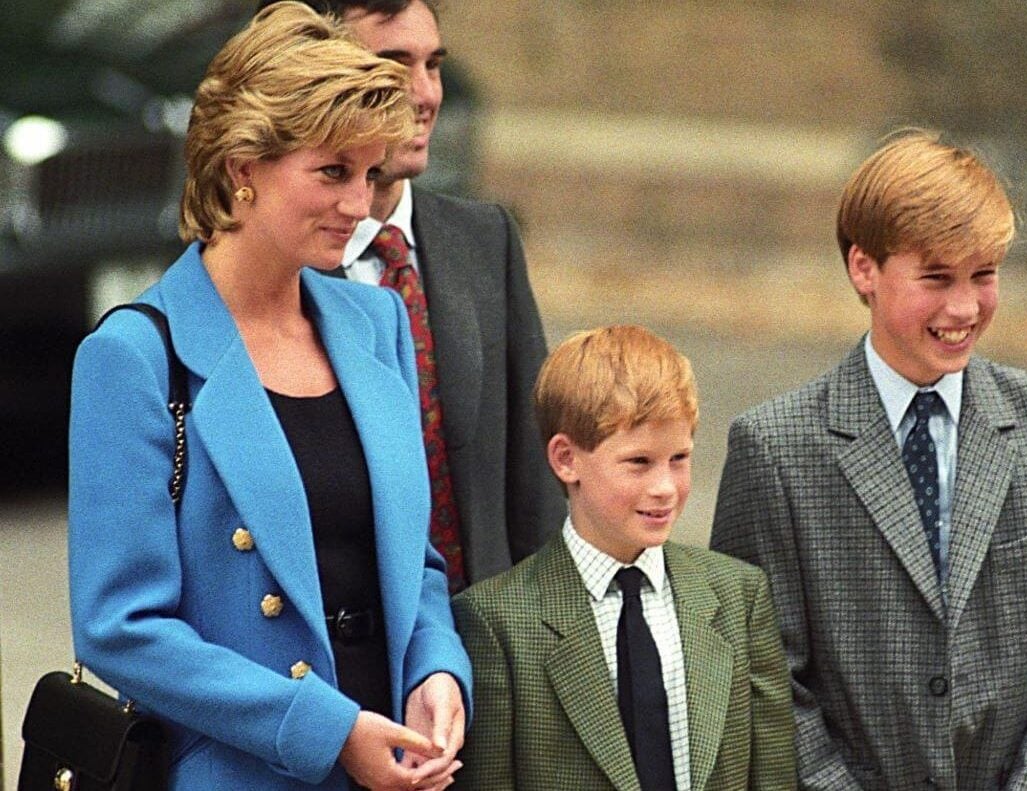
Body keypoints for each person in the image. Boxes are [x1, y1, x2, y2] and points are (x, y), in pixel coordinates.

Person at [68, 4, 471, 789]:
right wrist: (323, 728)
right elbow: (119, 628)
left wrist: (436, 672)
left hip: (393, 761)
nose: (359, 205)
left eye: (369, 174)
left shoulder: (376, 320)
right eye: (332, 172)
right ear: (243, 167)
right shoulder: (133, 356)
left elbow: (411, 560)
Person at [710, 131, 1027, 789]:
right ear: (863, 268)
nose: (964, 307)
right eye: (936, 277)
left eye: (983, 275)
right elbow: (762, 676)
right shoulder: (775, 450)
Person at [258, 0, 566, 593]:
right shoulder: (276, 270)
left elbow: (535, 489)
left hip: (487, 649)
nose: (424, 95)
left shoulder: (486, 240)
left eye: (434, 65)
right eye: (394, 67)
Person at [450, 325, 796, 790]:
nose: (665, 487)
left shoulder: (739, 596)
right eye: (639, 462)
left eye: (679, 458)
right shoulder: (498, 622)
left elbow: (772, 777)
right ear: (566, 459)